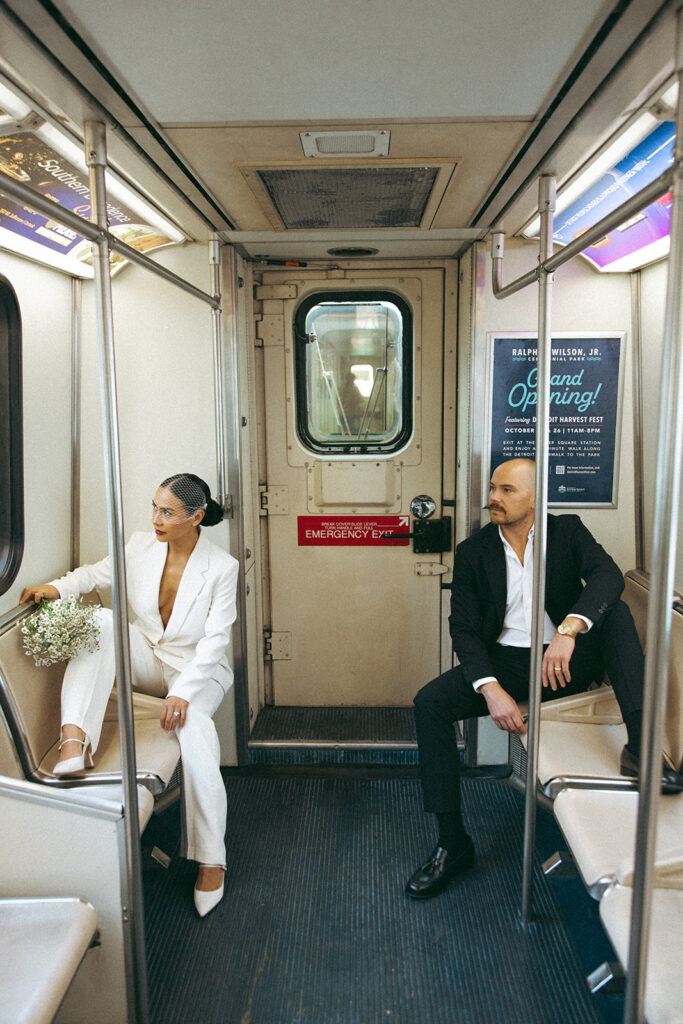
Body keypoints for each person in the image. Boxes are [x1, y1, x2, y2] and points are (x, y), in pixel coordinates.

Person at [405, 457, 683, 900]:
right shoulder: (473, 551)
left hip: (566, 661)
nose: (493, 497)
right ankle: (452, 843)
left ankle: (641, 746)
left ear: (536, 499)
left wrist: (570, 629)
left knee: (616, 616)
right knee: (429, 703)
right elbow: (464, 629)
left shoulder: (567, 531)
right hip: (509, 664)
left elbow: (608, 577)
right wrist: (491, 688)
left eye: (507, 491)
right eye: (493, 488)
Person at [21, 473, 239, 918]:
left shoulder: (222, 567)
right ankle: (74, 742)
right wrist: (55, 589)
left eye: (168, 512)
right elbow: (94, 575)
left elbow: (217, 640)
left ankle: (211, 859)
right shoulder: (141, 545)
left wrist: (184, 691)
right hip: (147, 653)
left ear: (196, 517)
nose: (156, 519)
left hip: (196, 668)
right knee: (100, 621)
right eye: (155, 507)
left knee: (194, 726)